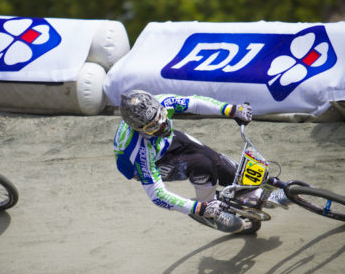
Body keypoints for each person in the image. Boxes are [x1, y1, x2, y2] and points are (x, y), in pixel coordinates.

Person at [113, 90, 289, 233]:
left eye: (162, 116)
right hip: (151, 160)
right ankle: (210, 209)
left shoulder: (163, 102)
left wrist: (231, 109)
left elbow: (195, 102)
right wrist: (196, 208)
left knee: (219, 162)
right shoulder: (137, 150)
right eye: (152, 126)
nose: (162, 125)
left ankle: (250, 193)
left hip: (166, 141)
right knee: (202, 165)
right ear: (138, 129)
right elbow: (156, 195)